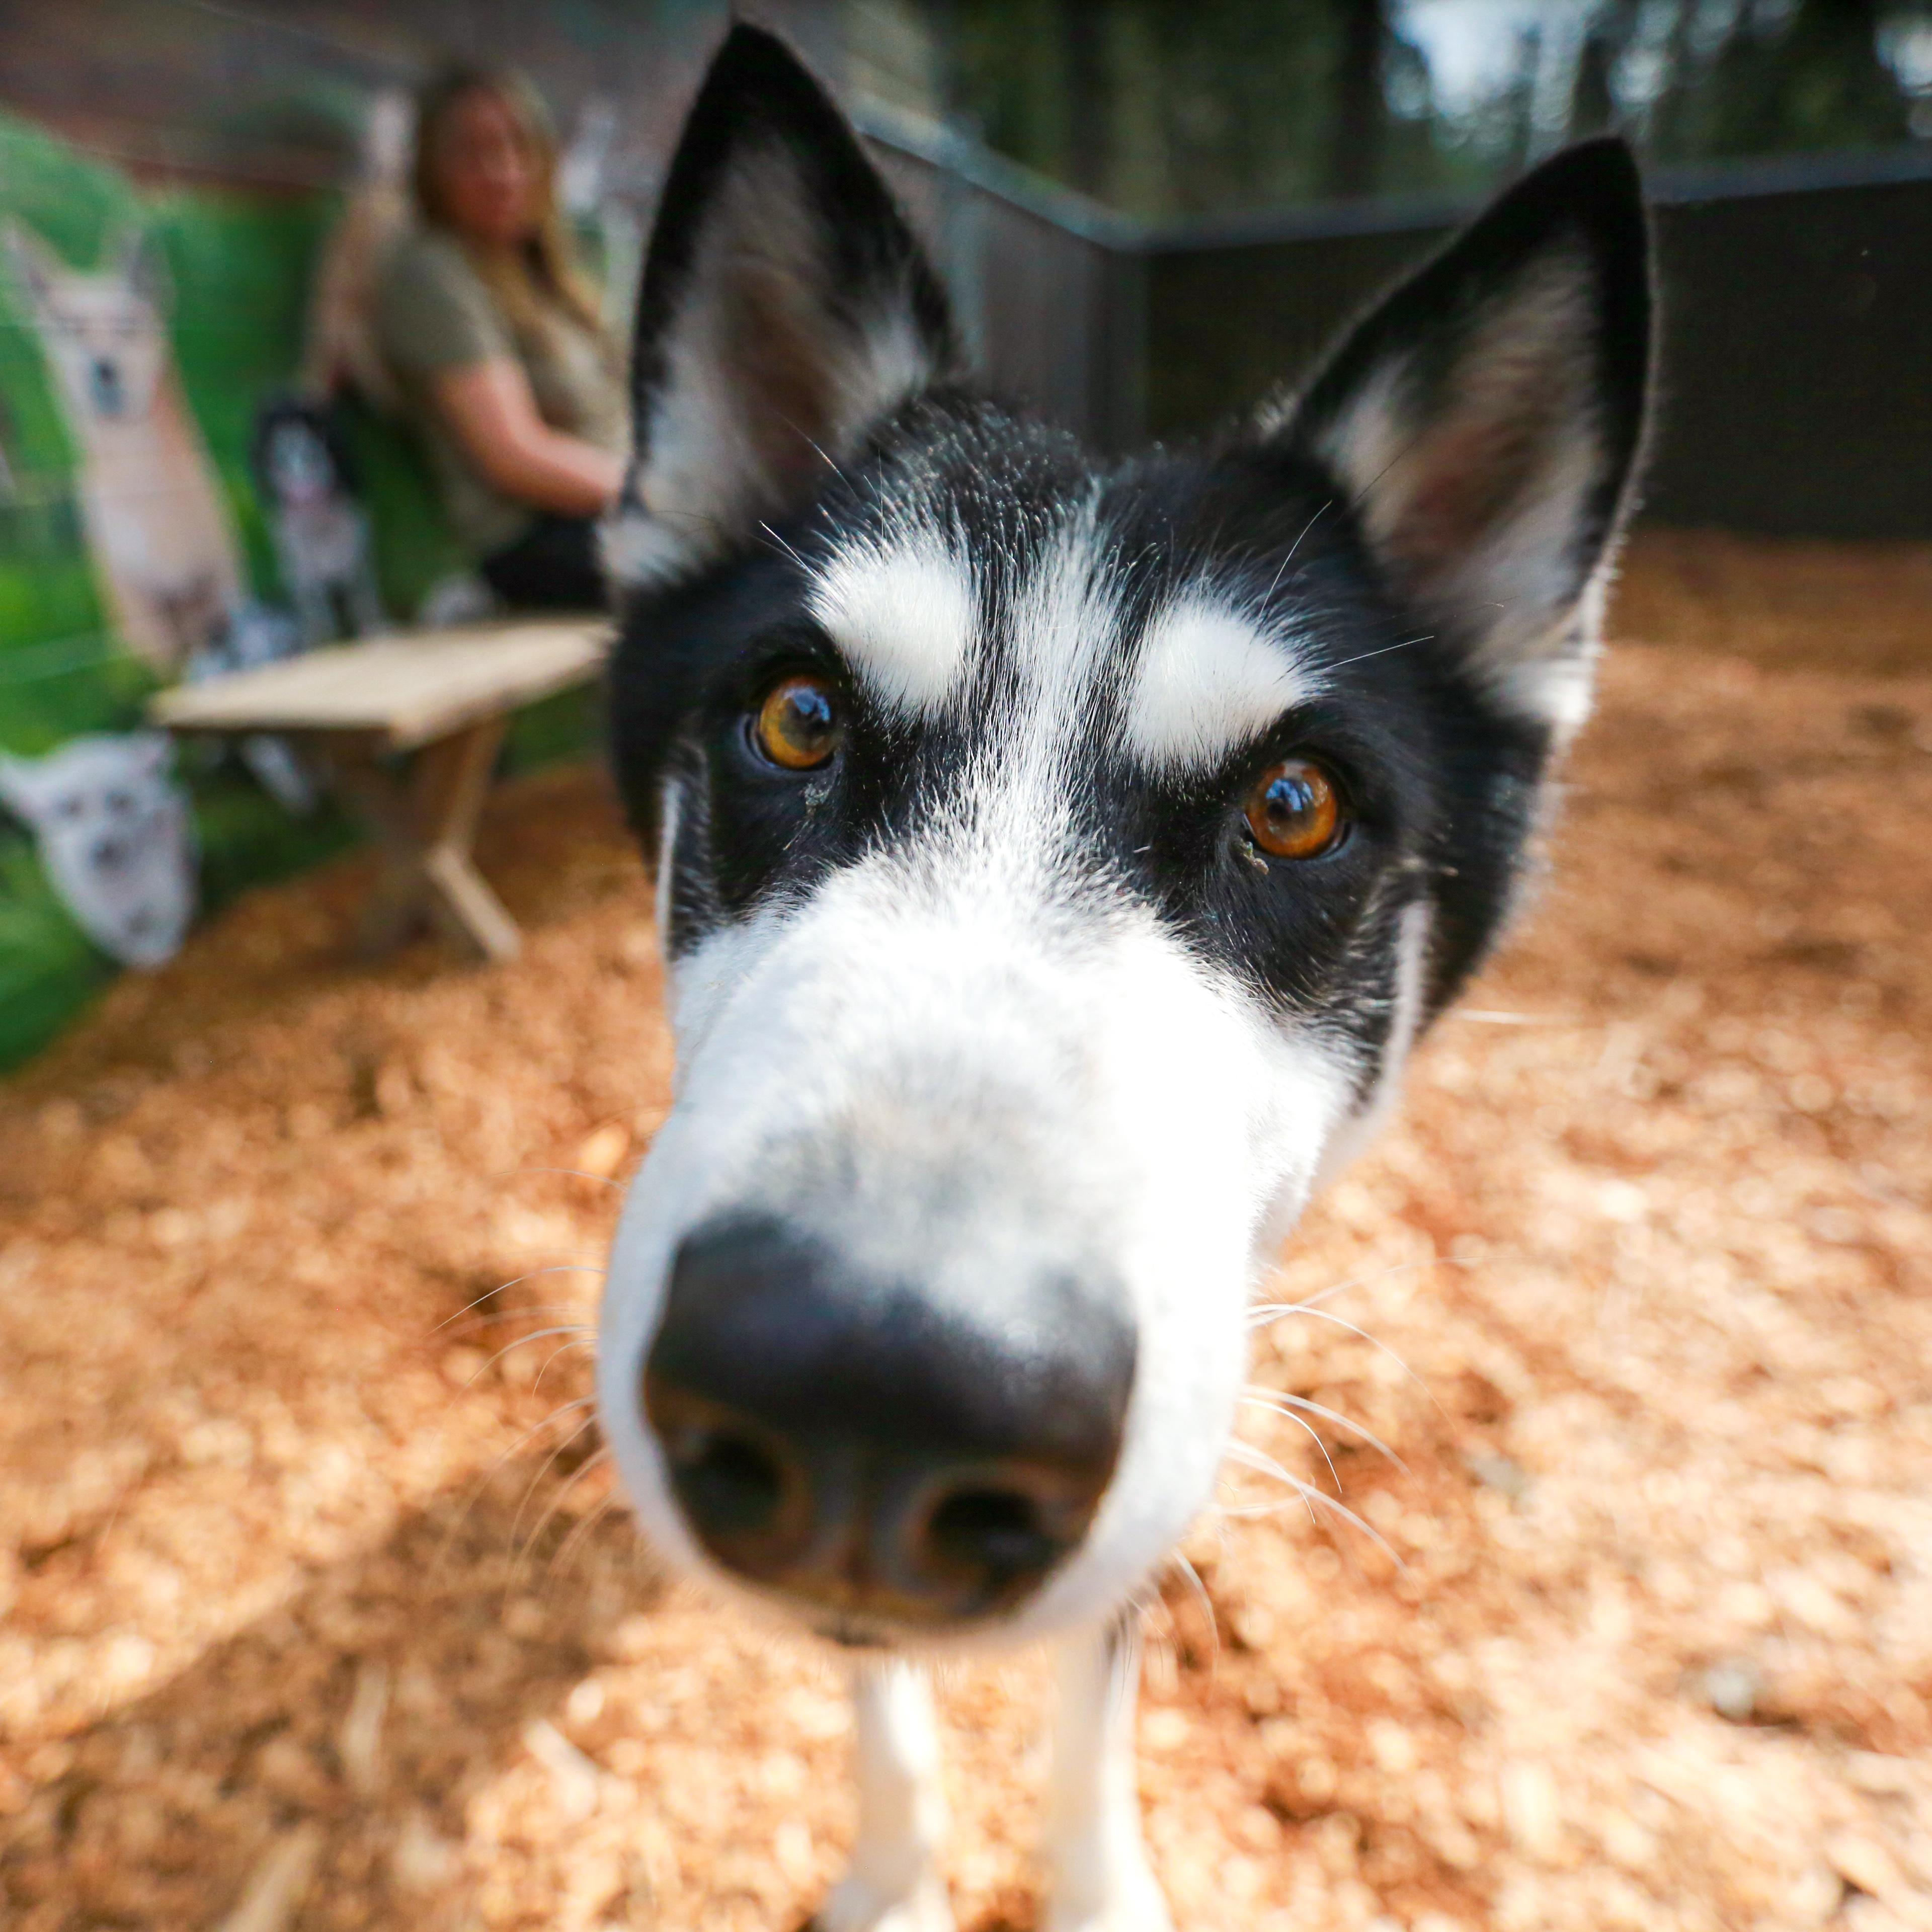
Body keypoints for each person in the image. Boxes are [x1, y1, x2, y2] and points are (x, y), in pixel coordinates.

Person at [377, 66, 624, 610]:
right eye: (472, 153)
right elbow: (513, 455)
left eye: (518, 145)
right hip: (539, 541)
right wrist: (659, 496)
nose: (503, 171)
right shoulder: (432, 271)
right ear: (432, 170)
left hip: (612, 513)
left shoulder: (548, 272)